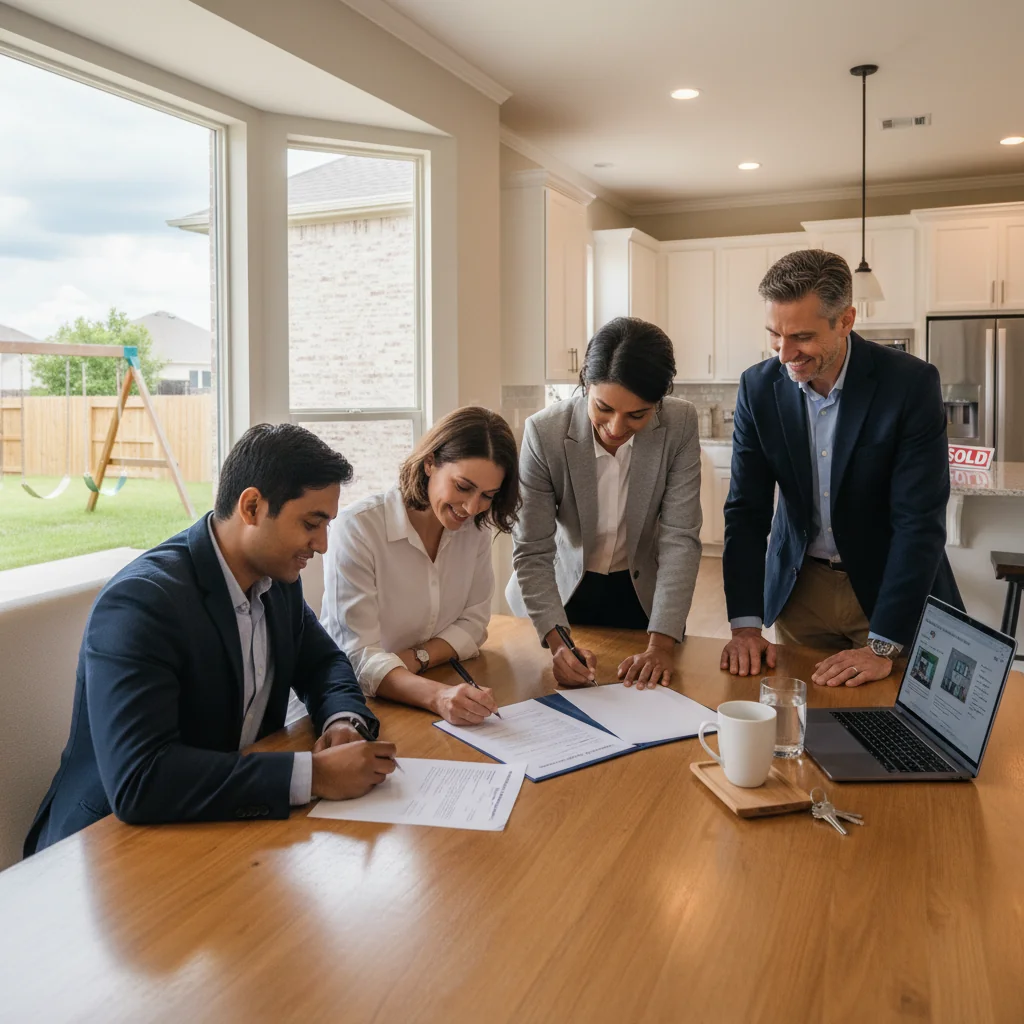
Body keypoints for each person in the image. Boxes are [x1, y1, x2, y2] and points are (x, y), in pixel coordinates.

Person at [24, 424, 395, 857]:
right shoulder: (142, 603)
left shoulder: (279, 581)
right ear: (252, 506)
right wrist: (313, 776)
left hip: (224, 824)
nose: (323, 544)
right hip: (105, 849)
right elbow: (143, 778)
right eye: (312, 523)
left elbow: (324, 664)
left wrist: (342, 722)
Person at [720, 249, 963, 687]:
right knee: (800, 724)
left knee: (892, 732)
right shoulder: (757, 388)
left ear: (846, 320)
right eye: (775, 334)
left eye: (802, 337)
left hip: (885, 593)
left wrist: (884, 644)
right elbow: (746, 511)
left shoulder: (909, 384)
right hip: (799, 591)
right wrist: (745, 625)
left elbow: (919, 523)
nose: (784, 354)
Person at [506, 317, 702, 689]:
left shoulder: (680, 424)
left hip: (642, 594)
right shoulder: (544, 433)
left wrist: (661, 644)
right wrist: (558, 644)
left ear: (658, 403)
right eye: (604, 408)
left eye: (637, 414)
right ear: (585, 384)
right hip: (561, 593)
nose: (615, 427)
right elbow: (532, 551)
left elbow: (680, 539)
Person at [322, 407, 520, 725]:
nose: (472, 507)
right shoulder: (359, 528)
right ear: (430, 462)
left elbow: (474, 623)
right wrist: (437, 696)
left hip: (426, 685)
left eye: (488, 495)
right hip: (357, 707)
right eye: (463, 487)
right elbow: (357, 658)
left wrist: (415, 659)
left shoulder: (475, 529)